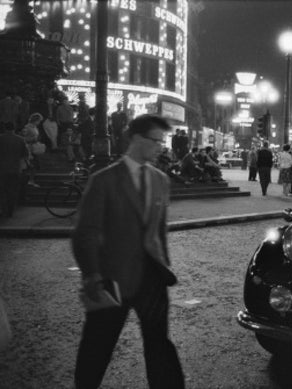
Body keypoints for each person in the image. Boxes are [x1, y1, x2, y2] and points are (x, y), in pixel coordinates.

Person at [72, 114, 184, 389]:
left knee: (159, 344)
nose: (161, 147)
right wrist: (92, 275)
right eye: (155, 141)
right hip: (113, 279)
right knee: (98, 344)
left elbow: (158, 230)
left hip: (153, 279)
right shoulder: (104, 180)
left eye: (163, 141)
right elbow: (85, 232)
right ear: (136, 139)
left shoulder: (160, 180)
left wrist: (163, 265)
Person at [0, 122, 29, 218]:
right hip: (16, 168)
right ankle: (10, 210)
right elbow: (25, 154)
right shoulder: (20, 139)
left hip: (2, 168)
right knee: (13, 190)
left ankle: (3, 209)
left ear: (4, 128)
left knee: (2, 190)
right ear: (14, 128)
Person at [21, 113, 43, 187]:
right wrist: (32, 139)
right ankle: (28, 180)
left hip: (34, 147)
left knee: (34, 165)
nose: (39, 123)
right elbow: (23, 138)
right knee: (31, 165)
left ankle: (31, 180)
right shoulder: (27, 127)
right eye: (39, 121)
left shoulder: (35, 127)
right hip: (29, 148)